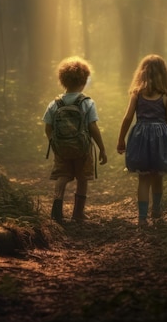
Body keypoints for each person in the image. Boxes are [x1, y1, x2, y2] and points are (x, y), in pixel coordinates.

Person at [116, 54, 167, 226]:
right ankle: (157, 211)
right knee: (158, 176)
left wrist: (121, 139)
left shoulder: (136, 94)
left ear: (142, 73)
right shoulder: (166, 96)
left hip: (141, 138)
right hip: (161, 139)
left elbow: (127, 118)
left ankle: (142, 218)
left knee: (144, 179)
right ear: (164, 73)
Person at [43, 57, 107, 223]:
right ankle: (78, 213)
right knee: (82, 178)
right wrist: (102, 148)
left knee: (62, 176)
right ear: (84, 81)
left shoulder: (54, 103)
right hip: (83, 148)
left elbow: (48, 127)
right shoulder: (87, 103)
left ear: (63, 81)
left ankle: (56, 209)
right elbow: (93, 127)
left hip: (61, 149)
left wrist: (54, 143)